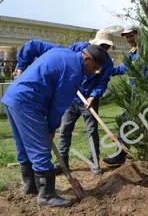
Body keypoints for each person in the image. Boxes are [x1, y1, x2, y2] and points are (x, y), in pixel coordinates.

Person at [2, 45, 106, 207]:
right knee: (41, 148)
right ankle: (47, 195)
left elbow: (34, 44)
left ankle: (30, 185)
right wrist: (51, 128)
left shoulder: (62, 51)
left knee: (23, 145)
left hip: (12, 97)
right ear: (86, 59)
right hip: (29, 103)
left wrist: (21, 65)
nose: (93, 71)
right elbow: (59, 106)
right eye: (94, 67)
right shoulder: (74, 72)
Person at [13, 29, 115, 176]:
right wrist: (21, 65)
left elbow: (102, 82)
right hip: (71, 97)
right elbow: (67, 66)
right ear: (94, 42)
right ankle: (61, 162)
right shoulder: (77, 48)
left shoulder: (107, 63)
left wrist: (93, 96)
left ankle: (94, 162)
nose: (104, 49)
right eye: (102, 45)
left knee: (92, 131)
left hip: (89, 101)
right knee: (65, 129)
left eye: (106, 46)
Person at [102, 24, 140, 165]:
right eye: (128, 36)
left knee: (128, 123)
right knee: (126, 123)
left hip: (143, 95)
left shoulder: (146, 52)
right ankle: (121, 154)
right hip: (134, 96)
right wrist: (104, 69)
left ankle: (121, 155)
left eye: (132, 35)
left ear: (139, 34)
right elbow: (122, 69)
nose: (130, 38)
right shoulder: (133, 53)